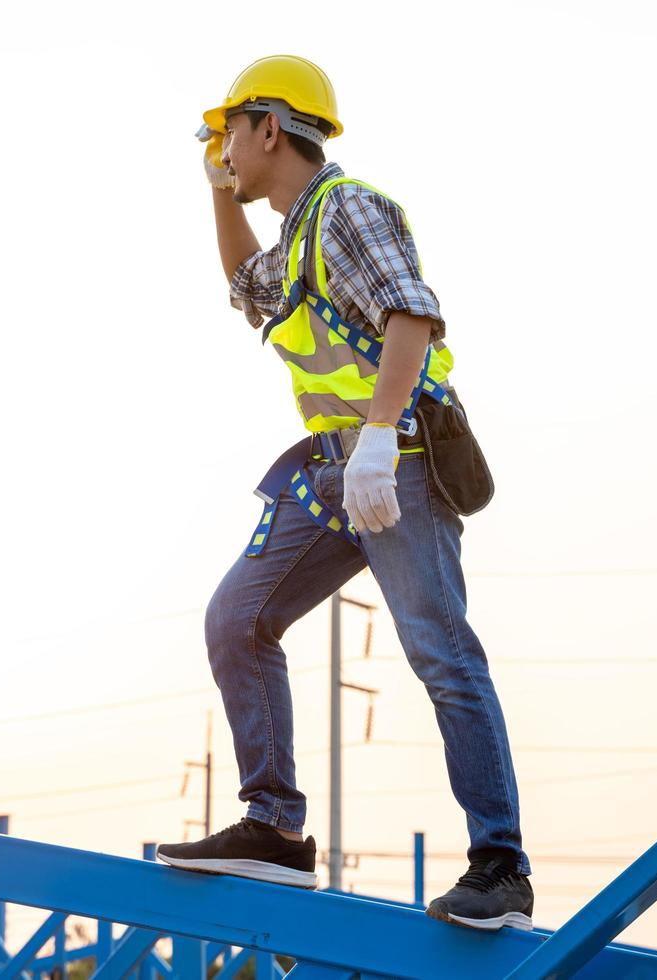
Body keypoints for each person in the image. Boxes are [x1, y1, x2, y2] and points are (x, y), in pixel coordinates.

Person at [153, 54, 534, 933]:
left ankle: (500, 864)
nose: (224, 148)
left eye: (230, 134)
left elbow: (411, 313)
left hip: (391, 460)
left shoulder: (348, 208)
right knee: (236, 620)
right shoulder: (293, 237)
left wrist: (374, 440)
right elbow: (249, 287)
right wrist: (219, 189)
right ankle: (275, 826)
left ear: (271, 128)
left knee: (439, 650)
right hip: (332, 472)